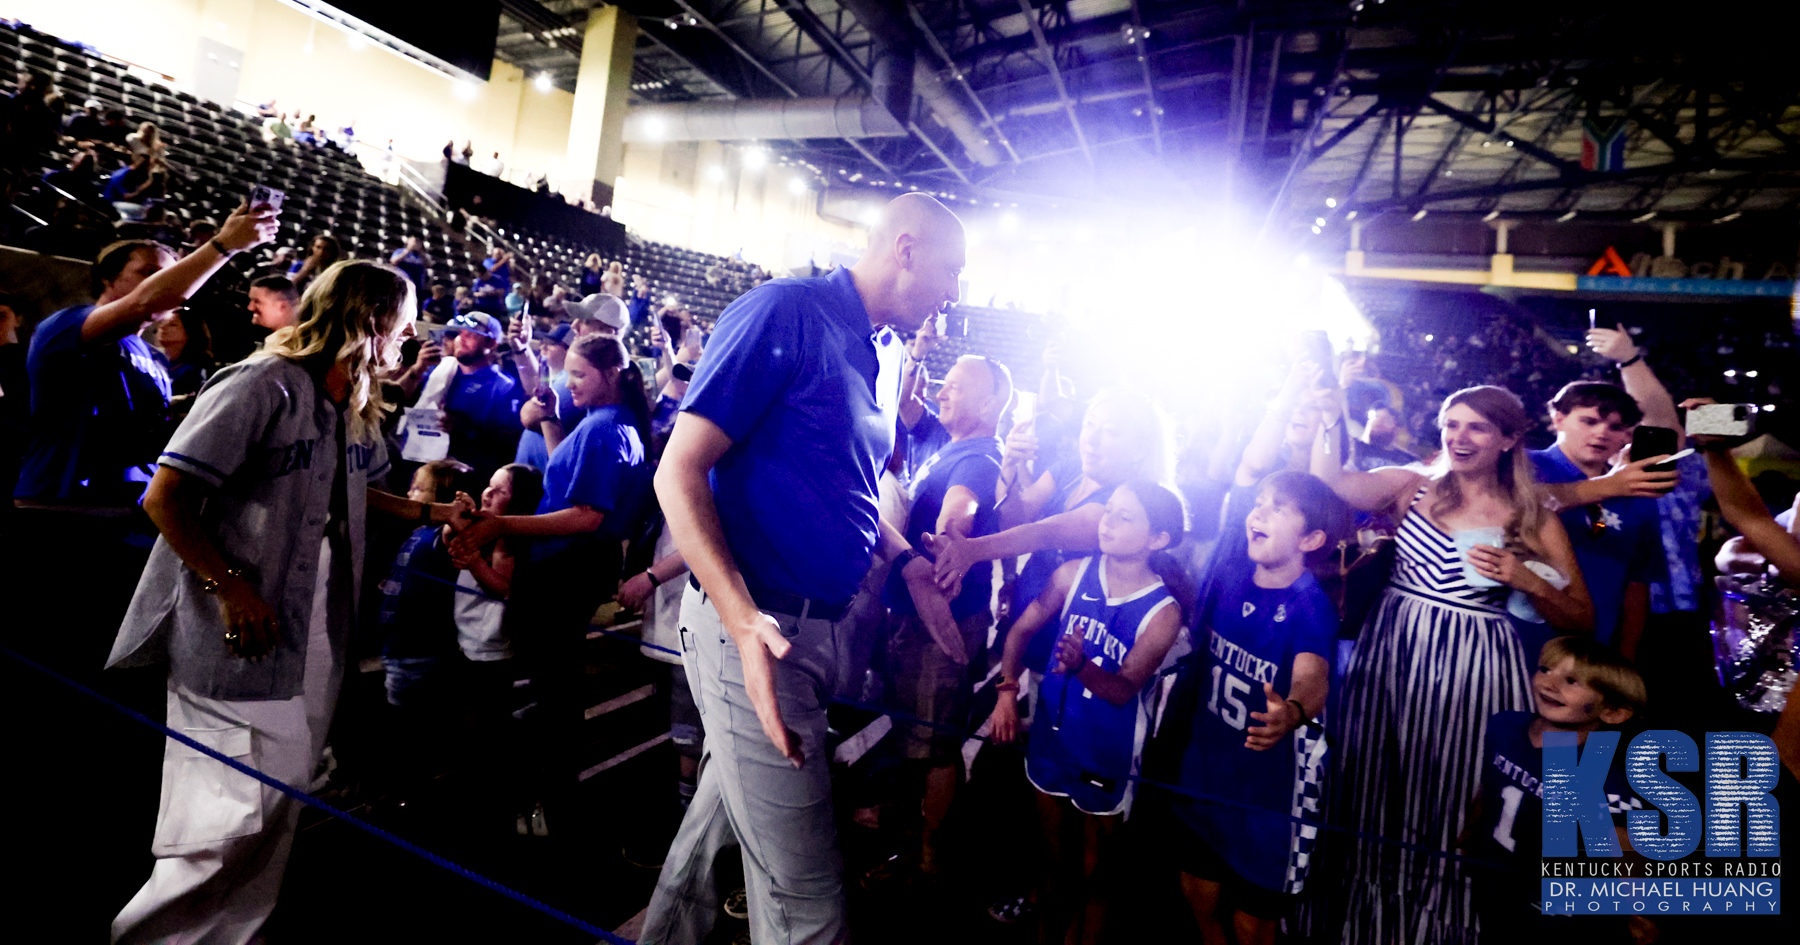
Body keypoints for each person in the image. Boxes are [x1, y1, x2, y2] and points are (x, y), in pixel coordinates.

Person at [107, 260, 474, 944]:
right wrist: (231, 585)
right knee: (224, 818)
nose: (406, 338)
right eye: (401, 323)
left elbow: (352, 492)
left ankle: (230, 937)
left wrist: (434, 514)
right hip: (235, 634)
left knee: (276, 806)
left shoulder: (350, 405)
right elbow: (165, 495)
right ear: (373, 321)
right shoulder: (258, 383)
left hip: (312, 631)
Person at [639, 193, 964, 945]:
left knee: (707, 847)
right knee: (808, 903)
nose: (955, 295)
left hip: (812, 632)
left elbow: (846, 491)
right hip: (757, 630)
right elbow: (677, 472)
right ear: (906, 248)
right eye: (952, 271)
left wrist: (907, 558)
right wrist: (744, 618)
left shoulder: (884, 351)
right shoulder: (783, 312)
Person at [1309, 385, 1594, 945]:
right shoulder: (1409, 485)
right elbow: (1329, 486)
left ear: (1509, 439)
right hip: (1389, 655)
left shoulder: (1532, 516)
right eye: (1451, 424)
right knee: (1372, 787)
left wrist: (1526, 579)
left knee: (1453, 795)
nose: (1459, 438)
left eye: (1477, 428)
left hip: (1476, 669)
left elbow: (1583, 620)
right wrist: (1325, 414)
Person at [448, 333, 652, 835]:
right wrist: (553, 418)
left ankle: (550, 800)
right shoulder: (606, 423)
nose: (570, 382)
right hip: (575, 566)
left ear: (611, 375)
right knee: (553, 686)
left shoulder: (606, 429)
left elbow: (584, 516)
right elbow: (568, 481)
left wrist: (501, 526)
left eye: (580, 375)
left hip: (566, 567)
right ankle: (548, 795)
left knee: (554, 692)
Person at [987, 481, 1186, 945]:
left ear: (1157, 539)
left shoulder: (1163, 612)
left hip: (1107, 755)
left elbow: (1121, 691)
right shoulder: (1071, 573)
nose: (1108, 522)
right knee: (1056, 864)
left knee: (1100, 875)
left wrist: (1080, 665)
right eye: (1108, 511)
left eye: (1125, 516)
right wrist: (1005, 692)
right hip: (1052, 742)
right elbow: (1017, 633)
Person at [1160, 471, 1348, 945]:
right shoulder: (1230, 575)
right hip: (1205, 777)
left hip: (1268, 803)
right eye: (1258, 503)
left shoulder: (1310, 607)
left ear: (1312, 538)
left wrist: (1292, 712)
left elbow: (1314, 676)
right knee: (1197, 898)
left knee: (1252, 927)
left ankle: (1567, 908)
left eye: (1277, 507)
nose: (1258, 512)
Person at [876, 354, 1011, 879]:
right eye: (944, 381)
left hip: (942, 624)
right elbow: (908, 406)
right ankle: (914, 839)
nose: (943, 390)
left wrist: (950, 532)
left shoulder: (981, 457)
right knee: (914, 736)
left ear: (990, 401)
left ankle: (930, 856)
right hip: (912, 613)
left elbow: (962, 506)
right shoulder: (946, 442)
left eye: (958, 385)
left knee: (934, 745)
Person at [1463, 636, 1647, 944]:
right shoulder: (1504, 726)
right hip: (1492, 884)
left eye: (1572, 681)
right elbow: (1492, 785)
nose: (1550, 683)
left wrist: (1637, 910)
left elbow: (1627, 854)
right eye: (1546, 669)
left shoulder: (1598, 777)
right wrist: (1471, 831)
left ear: (1612, 712)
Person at [1527, 381, 1668, 655]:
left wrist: (1626, 657)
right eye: (1589, 421)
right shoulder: (1525, 466)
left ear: (1626, 436)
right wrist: (1609, 485)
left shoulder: (1639, 498)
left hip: (1593, 647)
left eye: (1615, 427)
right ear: (1558, 419)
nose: (1601, 433)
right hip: (1515, 634)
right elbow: (1514, 508)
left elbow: (1637, 585)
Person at [438, 311, 524, 481]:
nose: (460, 339)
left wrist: (469, 429)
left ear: (492, 342)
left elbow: (511, 441)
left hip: (468, 479)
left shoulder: (503, 386)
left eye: (470, 335)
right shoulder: (439, 373)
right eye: (459, 333)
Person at [151, 307, 214, 400]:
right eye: (162, 322)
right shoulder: (151, 360)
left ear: (189, 331)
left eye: (173, 325)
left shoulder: (198, 367)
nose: (162, 327)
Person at [1347, 403, 1418, 471]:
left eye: (1386, 419)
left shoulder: (1409, 460)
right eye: (1376, 417)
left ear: (1397, 427)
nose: (1378, 421)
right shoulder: (1355, 449)